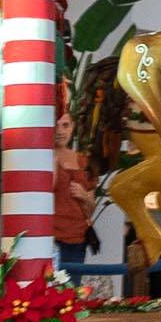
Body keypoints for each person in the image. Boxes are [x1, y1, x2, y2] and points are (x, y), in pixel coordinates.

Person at [53, 108, 96, 276]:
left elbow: (90, 210)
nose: (60, 131)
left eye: (65, 125)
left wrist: (85, 196)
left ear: (72, 127)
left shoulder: (83, 162)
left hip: (76, 239)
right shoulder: (41, 157)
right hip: (49, 238)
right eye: (56, 126)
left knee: (71, 293)